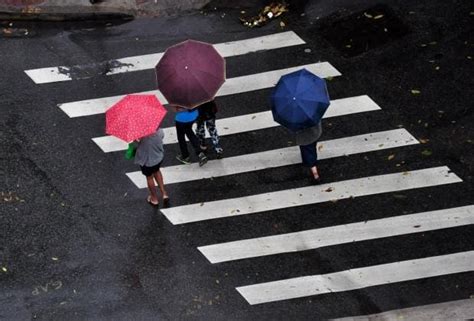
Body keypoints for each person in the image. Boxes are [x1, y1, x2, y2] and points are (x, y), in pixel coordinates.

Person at [134, 128, 169, 207]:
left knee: (149, 177)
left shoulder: (140, 134)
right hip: (158, 157)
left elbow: (135, 146)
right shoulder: (159, 131)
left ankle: (154, 198)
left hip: (147, 160)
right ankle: (164, 193)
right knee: (157, 171)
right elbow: (161, 137)